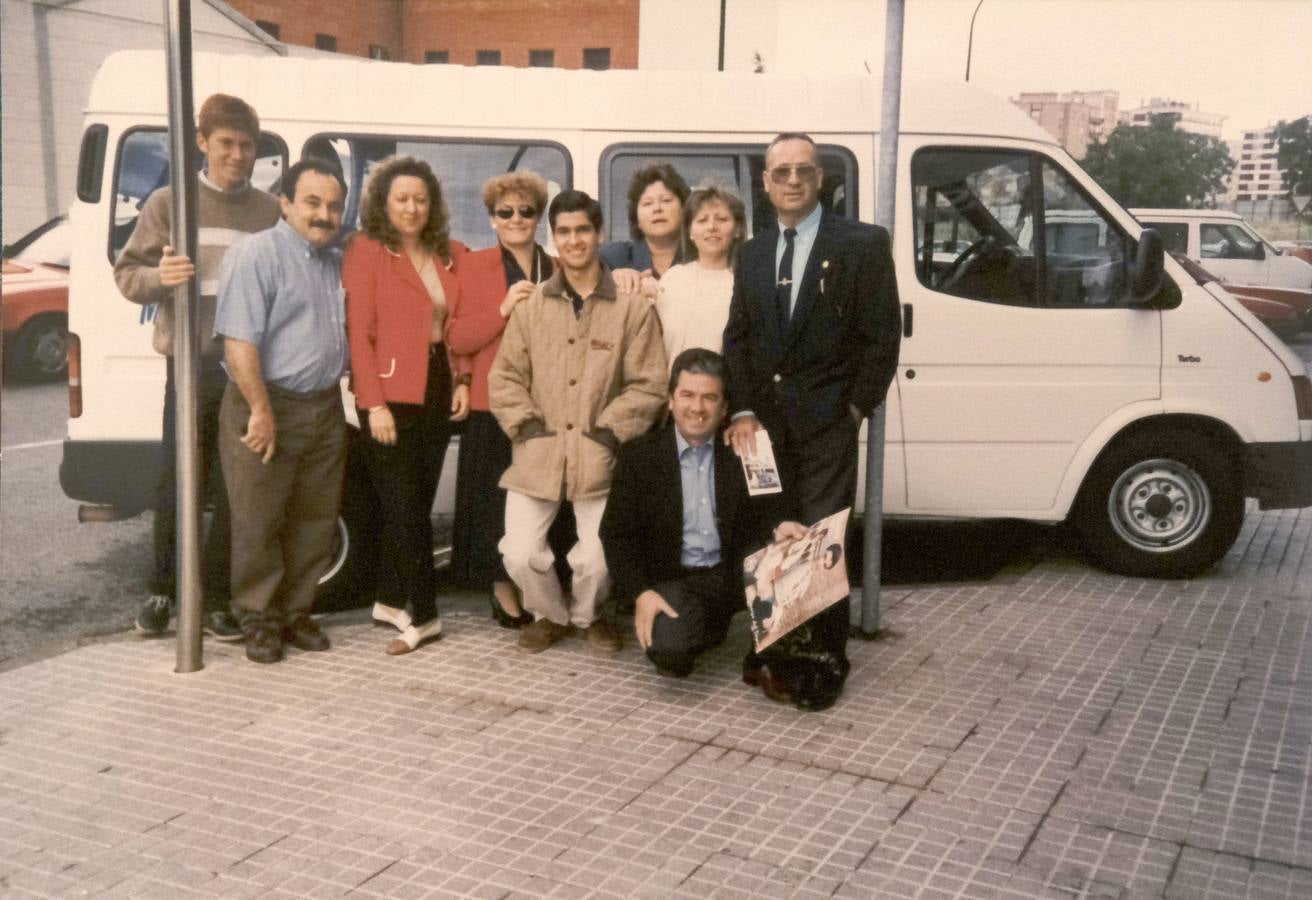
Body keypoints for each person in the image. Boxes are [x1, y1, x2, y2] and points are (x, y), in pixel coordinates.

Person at [723, 132, 902, 711]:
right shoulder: (753, 252)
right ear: (766, 183)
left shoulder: (862, 244)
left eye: (804, 170)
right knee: (774, 534)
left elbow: (882, 338)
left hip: (828, 422)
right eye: (781, 172)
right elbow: (738, 338)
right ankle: (776, 652)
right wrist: (743, 409)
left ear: (821, 179)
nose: (793, 180)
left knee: (819, 540)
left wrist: (854, 409)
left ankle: (823, 661)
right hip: (764, 427)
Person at [114, 93, 281, 641]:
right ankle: (164, 590)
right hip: (190, 368)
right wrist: (160, 278)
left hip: (246, 371)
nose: (237, 155)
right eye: (226, 143)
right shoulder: (169, 203)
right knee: (178, 481)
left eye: (247, 145)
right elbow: (128, 275)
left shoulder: (267, 211)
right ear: (202, 142)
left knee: (236, 489)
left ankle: (213, 599)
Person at [489, 189, 667, 655]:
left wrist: (608, 433)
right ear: (554, 237)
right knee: (518, 552)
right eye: (564, 231)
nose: (574, 240)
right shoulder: (531, 308)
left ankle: (590, 616)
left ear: (599, 233)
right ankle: (550, 615)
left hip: (599, 454)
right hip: (539, 452)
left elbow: (649, 384)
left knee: (599, 557)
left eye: (583, 230)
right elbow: (504, 378)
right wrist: (528, 429)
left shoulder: (632, 309)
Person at [214, 159, 350, 665]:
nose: (324, 214)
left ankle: (295, 612)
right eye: (312, 202)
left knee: (315, 518)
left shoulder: (334, 260)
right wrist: (260, 410)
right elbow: (238, 342)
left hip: (324, 408)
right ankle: (259, 619)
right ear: (285, 203)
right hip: (268, 405)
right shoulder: (256, 255)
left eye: (334, 206)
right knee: (259, 519)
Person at [601, 348, 799, 679]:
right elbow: (616, 535)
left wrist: (782, 525)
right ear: (670, 400)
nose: (697, 407)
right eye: (687, 395)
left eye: (709, 397)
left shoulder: (747, 449)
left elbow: (774, 510)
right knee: (670, 653)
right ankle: (704, 625)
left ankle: (763, 650)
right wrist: (641, 593)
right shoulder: (639, 457)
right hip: (678, 580)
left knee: (798, 557)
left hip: (733, 574)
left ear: (724, 407)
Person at [343, 156, 469, 656]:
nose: (412, 208)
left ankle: (390, 599)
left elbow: (460, 323)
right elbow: (359, 333)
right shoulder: (367, 250)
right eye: (402, 199)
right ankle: (427, 614)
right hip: (390, 392)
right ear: (383, 202)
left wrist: (463, 378)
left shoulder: (448, 253)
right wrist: (373, 404)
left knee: (415, 501)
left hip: (436, 384)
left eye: (420, 199)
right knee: (404, 507)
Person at [448, 172, 555, 629]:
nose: (516, 219)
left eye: (526, 211)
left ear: (538, 217)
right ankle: (500, 584)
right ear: (492, 219)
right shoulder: (476, 266)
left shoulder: (556, 267)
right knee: (492, 498)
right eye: (505, 212)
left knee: (540, 496)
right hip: (492, 401)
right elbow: (457, 337)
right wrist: (503, 309)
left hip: (546, 404)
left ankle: (537, 579)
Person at [654, 185, 746, 366]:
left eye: (721, 219)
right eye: (702, 220)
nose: (711, 227)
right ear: (690, 232)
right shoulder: (673, 279)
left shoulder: (744, 284)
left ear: (737, 229)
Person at [599, 163, 689, 280]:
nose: (657, 208)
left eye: (666, 200)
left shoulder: (703, 256)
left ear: (684, 208)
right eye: (647, 203)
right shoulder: (613, 257)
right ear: (636, 217)